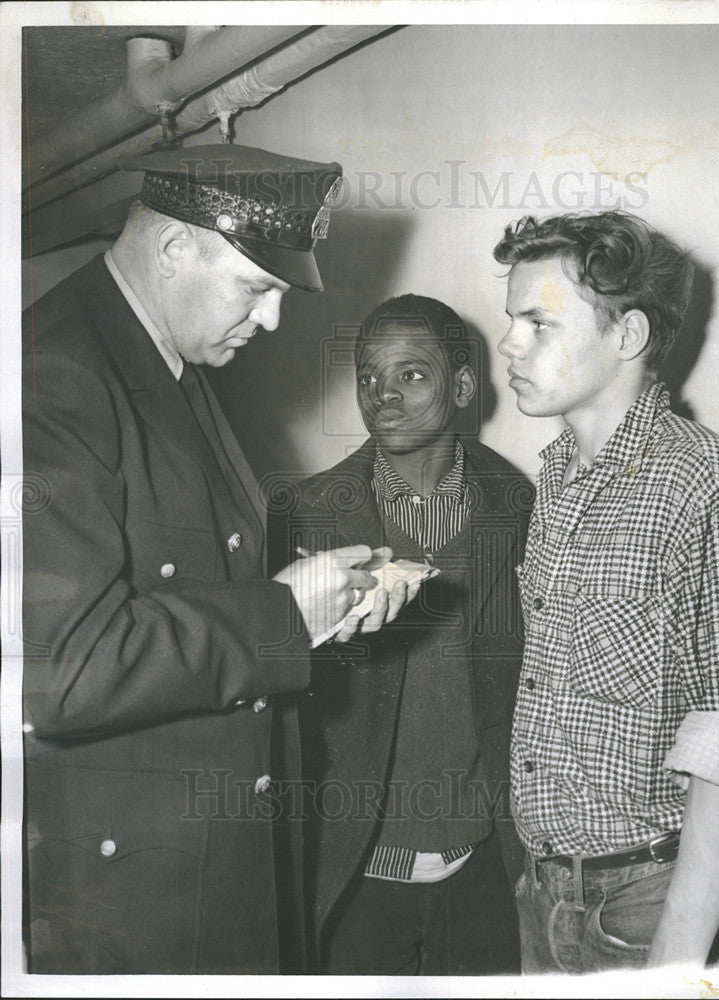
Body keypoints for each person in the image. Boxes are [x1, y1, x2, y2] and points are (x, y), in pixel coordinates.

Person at [21, 144, 411, 974]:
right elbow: (59, 671)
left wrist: (322, 604)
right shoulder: (53, 375)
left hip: (208, 867)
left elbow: (190, 579)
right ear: (172, 250)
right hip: (131, 904)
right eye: (258, 286)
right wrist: (282, 617)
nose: (271, 320)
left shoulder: (160, 357)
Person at [494, 211, 719, 973]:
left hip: (655, 906)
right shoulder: (555, 479)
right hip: (545, 889)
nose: (508, 346)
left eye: (537, 325)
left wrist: (678, 963)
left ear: (628, 337)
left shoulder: (711, 486)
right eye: (510, 322)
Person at [266, 294, 534, 974]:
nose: (383, 393)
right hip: (354, 873)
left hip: (484, 867)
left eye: (411, 374)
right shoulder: (303, 514)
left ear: (464, 386)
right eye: (368, 376)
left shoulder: (516, 501)